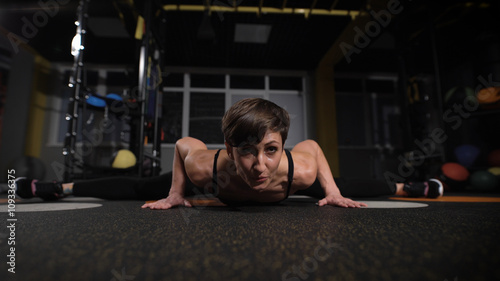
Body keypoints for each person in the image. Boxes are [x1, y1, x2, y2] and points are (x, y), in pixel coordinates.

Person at [15, 98, 443, 208]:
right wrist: (177, 194)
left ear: (282, 146)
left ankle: (411, 186)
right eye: (247, 151)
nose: (260, 165)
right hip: (212, 188)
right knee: (142, 185)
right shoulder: (208, 169)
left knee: (345, 186)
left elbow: (311, 147)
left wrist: (329, 189)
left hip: (288, 188)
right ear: (228, 149)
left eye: (271, 150)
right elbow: (184, 145)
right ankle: (58, 186)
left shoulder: (300, 169)